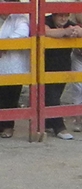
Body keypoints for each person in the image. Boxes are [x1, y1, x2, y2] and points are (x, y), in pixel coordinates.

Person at [45, 12, 82, 140]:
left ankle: (47, 122)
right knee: (52, 96)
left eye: (66, 15)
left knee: (54, 95)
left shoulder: (69, 24)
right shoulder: (46, 20)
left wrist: (76, 31)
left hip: (62, 65)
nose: (64, 18)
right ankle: (59, 127)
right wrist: (65, 32)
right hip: (45, 65)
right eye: (60, 16)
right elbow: (45, 31)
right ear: (53, 15)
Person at [0, 3, 29, 139]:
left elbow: (20, 35)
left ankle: (8, 127)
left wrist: (3, 46)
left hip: (13, 65)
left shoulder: (20, 19)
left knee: (10, 96)